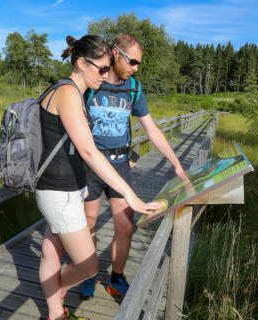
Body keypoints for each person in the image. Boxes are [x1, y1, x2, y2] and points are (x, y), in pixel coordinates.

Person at [36, 34, 162, 320]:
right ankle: (55, 295)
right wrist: (130, 194)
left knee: (51, 253)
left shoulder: (66, 90)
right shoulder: (68, 93)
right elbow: (89, 152)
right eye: (101, 69)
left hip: (62, 187)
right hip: (60, 191)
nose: (106, 75)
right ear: (81, 63)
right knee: (89, 266)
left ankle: (56, 314)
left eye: (108, 68)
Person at [80, 34, 187, 300]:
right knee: (89, 223)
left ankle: (116, 278)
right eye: (133, 61)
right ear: (116, 54)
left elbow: (152, 130)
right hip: (90, 166)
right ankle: (89, 274)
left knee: (125, 226)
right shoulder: (92, 83)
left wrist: (177, 165)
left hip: (120, 165)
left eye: (139, 63)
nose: (136, 68)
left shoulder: (134, 89)